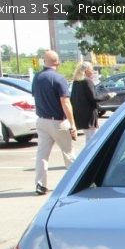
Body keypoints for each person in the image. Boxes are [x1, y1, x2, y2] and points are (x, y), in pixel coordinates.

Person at [31, 50, 77, 195]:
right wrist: (73, 124)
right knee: (68, 153)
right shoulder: (59, 79)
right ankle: (75, 183)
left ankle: (40, 185)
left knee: (42, 155)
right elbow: (65, 101)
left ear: (44, 62)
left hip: (42, 121)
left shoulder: (37, 78)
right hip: (58, 121)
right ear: (57, 62)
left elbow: (35, 96)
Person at [70, 61, 114, 144]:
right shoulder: (87, 81)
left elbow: (72, 98)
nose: (93, 71)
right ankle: (90, 156)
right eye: (91, 69)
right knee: (92, 139)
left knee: (89, 138)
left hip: (79, 114)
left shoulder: (76, 82)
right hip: (88, 114)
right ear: (86, 70)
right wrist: (108, 96)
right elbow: (94, 97)